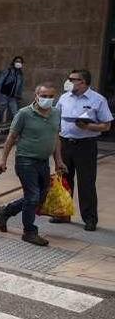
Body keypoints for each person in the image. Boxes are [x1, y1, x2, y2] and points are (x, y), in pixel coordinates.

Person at [0, 82, 66, 246]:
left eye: (50, 97)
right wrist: (3, 160)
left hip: (43, 161)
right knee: (33, 197)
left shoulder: (56, 113)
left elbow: (55, 138)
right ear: (36, 96)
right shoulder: (24, 114)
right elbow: (11, 138)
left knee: (40, 196)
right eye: (44, 96)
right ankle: (29, 232)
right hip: (26, 160)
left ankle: (6, 211)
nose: (47, 99)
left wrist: (59, 160)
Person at [50, 69, 113, 231]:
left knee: (87, 183)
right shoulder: (64, 98)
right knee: (64, 179)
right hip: (65, 143)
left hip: (86, 145)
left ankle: (90, 219)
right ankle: (62, 213)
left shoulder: (98, 100)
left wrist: (88, 126)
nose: (68, 81)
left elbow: (106, 125)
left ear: (83, 82)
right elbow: (55, 118)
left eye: (72, 79)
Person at [0, 56, 25, 123]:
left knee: (15, 114)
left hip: (12, 98)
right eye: (17, 61)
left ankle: (14, 130)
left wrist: (19, 96)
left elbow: (20, 86)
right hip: (3, 95)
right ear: (13, 62)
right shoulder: (7, 71)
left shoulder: (20, 75)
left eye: (20, 62)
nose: (18, 63)